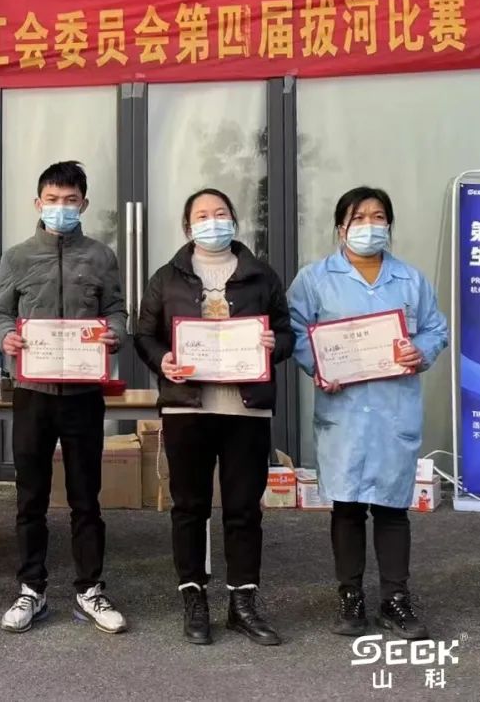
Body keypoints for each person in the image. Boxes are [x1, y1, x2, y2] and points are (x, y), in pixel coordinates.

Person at [133, 188, 293, 647]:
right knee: (190, 507)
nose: (212, 221)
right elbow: (144, 334)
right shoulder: (167, 277)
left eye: (220, 213)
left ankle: (243, 602)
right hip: (187, 407)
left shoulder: (261, 275)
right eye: (202, 215)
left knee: (243, 508)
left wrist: (273, 346)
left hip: (246, 408)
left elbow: (286, 333)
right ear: (188, 227)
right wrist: (163, 360)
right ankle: (194, 597)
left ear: (234, 220)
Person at [287, 186, 448, 640]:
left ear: (389, 225)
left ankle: (396, 598)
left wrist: (420, 351)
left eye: (378, 217)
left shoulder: (411, 280)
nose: (369, 226)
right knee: (348, 507)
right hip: (344, 411)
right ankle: (351, 596)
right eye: (359, 218)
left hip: (395, 410)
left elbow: (436, 328)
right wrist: (318, 366)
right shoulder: (314, 279)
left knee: (393, 508)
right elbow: (294, 329)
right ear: (341, 227)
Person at [0, 161, 128, 635]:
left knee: (86, 497)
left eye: (70, 200)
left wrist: (114, 333)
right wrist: (6, 337)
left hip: (84, 394)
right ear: (38, 203)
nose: (61, 208)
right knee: (30, 496)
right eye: (52, 200)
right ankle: (31, 589)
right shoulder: (17, 257)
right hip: (32, 392)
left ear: (84, 204)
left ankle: (90, 589)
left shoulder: (101, 256)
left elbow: (116, 310)